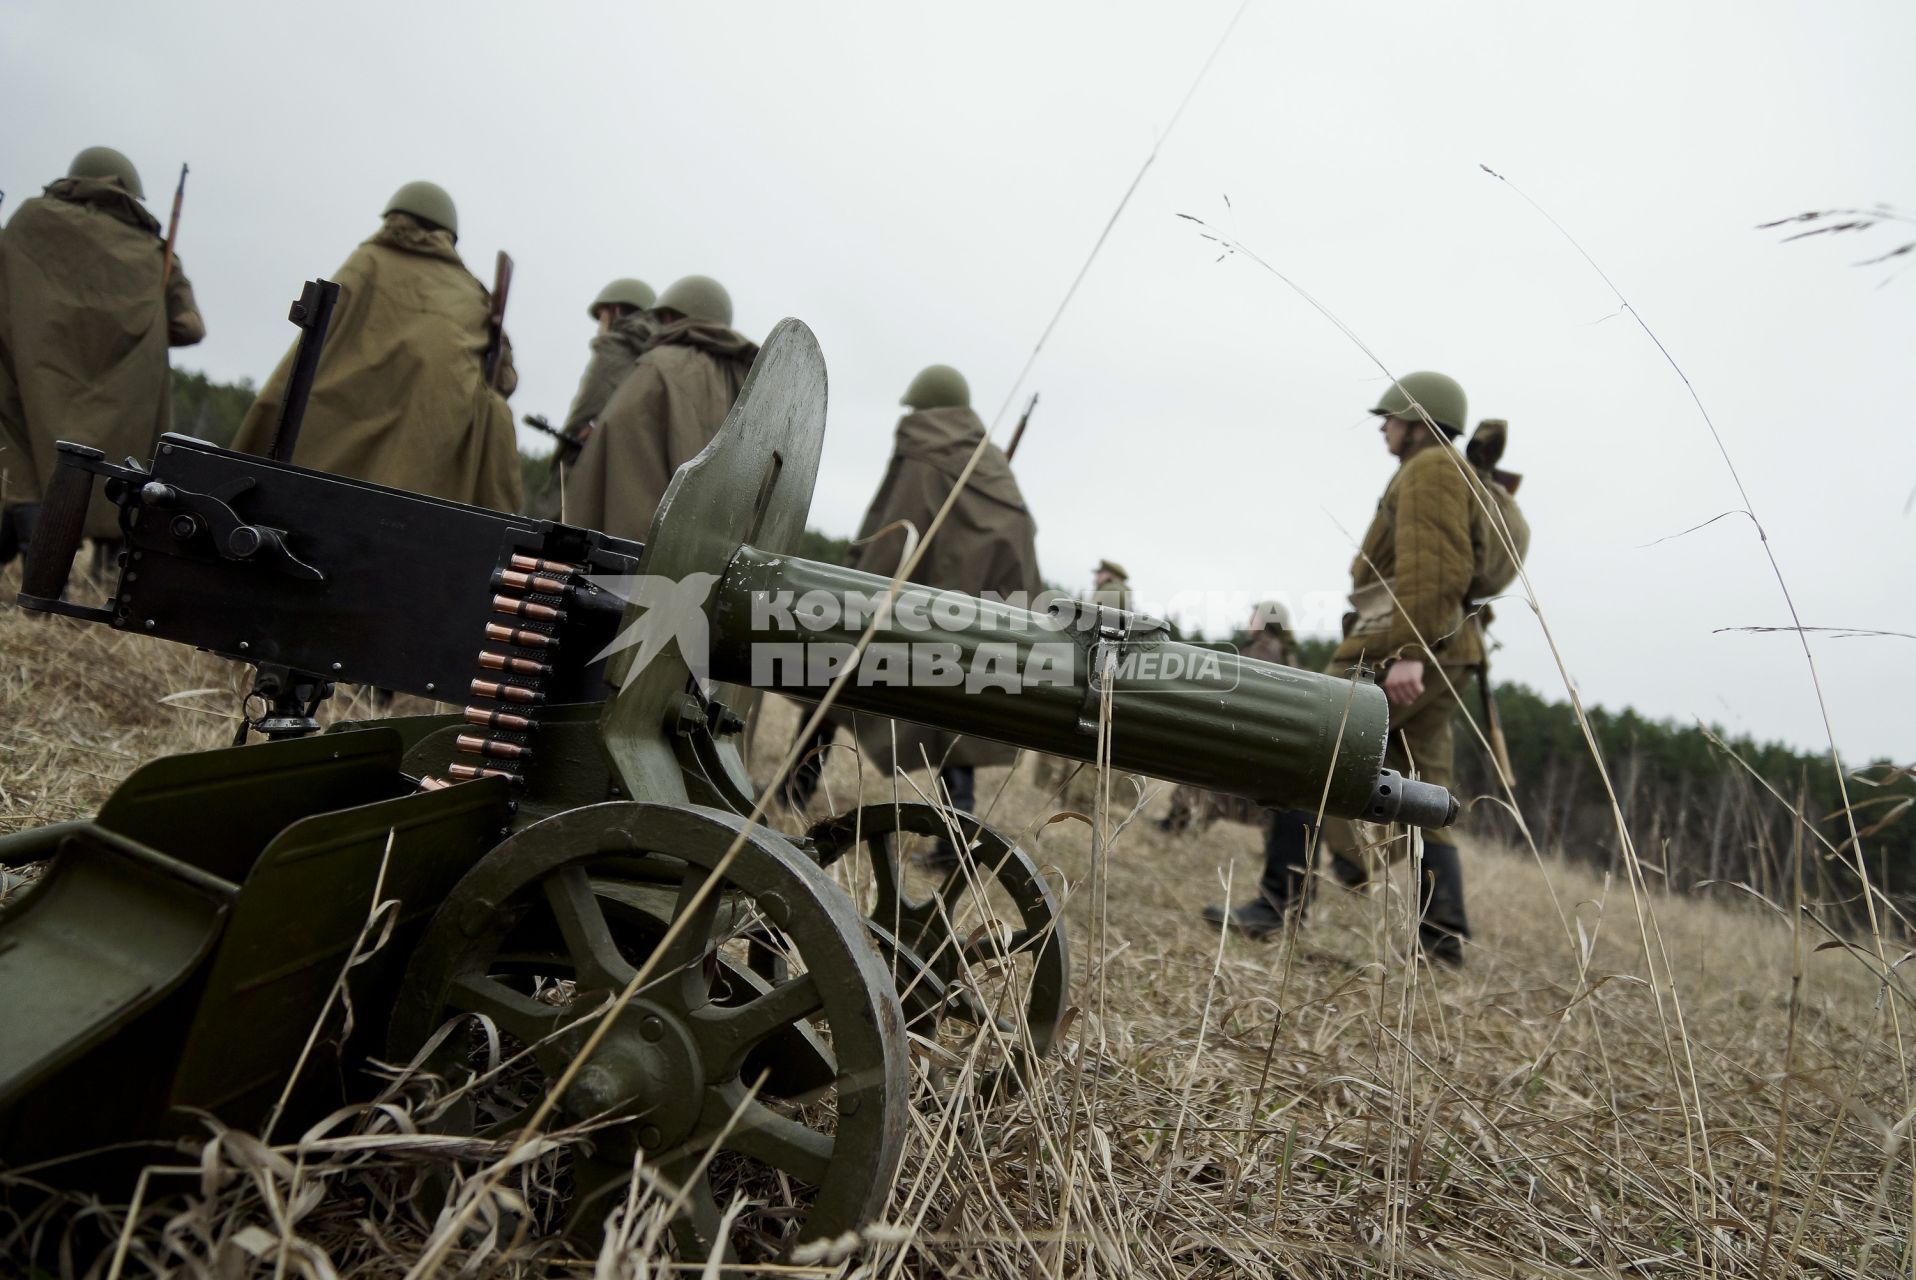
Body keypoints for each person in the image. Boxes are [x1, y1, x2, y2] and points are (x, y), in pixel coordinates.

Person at [1207, 372, 1484, 965]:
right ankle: (1443, 940)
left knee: (1307, 752)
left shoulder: (1431, 468)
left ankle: (1278, 906)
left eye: (1389, 417)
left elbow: (1433, 568)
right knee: (1429, 793)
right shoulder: (1445, 470)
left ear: (1416, 421)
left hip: (1402, 650)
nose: (1383, 426)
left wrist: (1408, 652)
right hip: (1449, 650)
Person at [842, 363, 1044, 864]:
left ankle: (790, 791)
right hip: (987, 606)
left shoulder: (924, 450)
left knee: (830, 673)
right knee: (957, 711)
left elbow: (896, 526)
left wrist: (855, 587)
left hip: (935, 597)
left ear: (923, 408)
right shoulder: (990, 459)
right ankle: (960, 830)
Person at [232, 181, 521, 512]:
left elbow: (313, 346)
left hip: (319, 457)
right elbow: (504, 381)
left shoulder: (364, 263)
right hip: (416, 479)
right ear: (449, 234)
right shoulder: (472, 295)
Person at [0, 146, 206, 563]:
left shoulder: (29, 221)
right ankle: (106, 569)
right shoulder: (155, 252)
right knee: (123, 469)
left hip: (31, 383)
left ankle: (36, 570)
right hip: (123, 397)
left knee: (24, 463)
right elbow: (190, 327)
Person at [563, 274, 757, 540]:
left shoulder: (659, 365)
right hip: (709, 554)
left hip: (636, 553)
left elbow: (620, 439)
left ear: (667, 317)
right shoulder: (749, 383)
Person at [1160, 601, 1299, 834]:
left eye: (1254, 617)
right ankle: (1181, 822)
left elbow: (1244, 691)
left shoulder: (1263, 649)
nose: (1249, 621)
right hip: (1260, 736)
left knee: (1201, 771)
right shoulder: (1279, 650)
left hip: (1243, 733)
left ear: (1266, 621)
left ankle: (1177, 823)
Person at [528, 276, 656, 519]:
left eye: (602, 317)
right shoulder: (659, 354)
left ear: (616, 311)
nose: (600, 326)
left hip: (586, 477)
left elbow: (583, 419)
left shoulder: (615, 348)